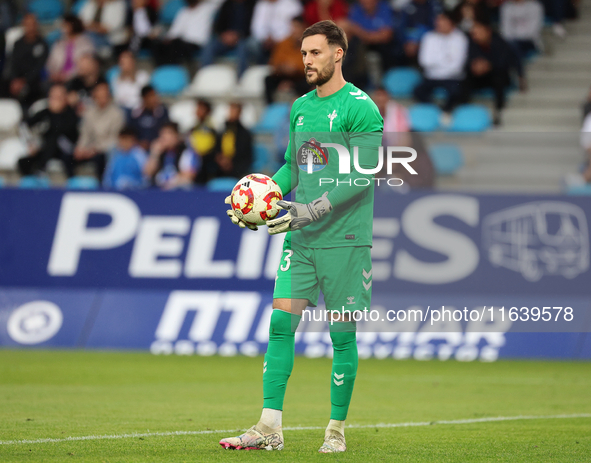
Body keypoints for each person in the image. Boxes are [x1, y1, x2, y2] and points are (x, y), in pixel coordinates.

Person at [220, 20, 383, 453]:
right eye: (304, 53)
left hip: (345, 241)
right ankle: (269, 427)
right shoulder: (299, 108)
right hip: (303, 240)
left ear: (338, 54)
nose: (306, 61)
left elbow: (364, 176)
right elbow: (293, 168)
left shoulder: (361, 107)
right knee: (279, 324)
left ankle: (336, 429)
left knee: (341, 335)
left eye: (315, 53)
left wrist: (313, 209)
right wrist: (256, 200)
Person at [468, 19, 525, 126]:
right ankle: (462, 111)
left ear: (488, 31)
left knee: (499, 78)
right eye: (474, 33)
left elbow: (504, 63)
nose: (475, 36)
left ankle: (499, 111)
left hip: (497, 75)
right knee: (464, 79)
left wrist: (488, 65)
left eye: (478, 32)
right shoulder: (472, 43)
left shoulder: (500, 42)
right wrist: (475, 65)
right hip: (479, 77)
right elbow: (468, 60)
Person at [17, 84, 79, 177]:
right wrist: (31, 143)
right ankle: (29, 183)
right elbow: (24, 125)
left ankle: (41, 169)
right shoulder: (45, 113)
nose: (55, 101)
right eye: (52, 97)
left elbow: (63, 131)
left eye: (58, 97)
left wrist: (56, 114)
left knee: (53, 139)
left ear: (65, 98)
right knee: (23, 162)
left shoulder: (71, 113)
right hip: (47, 149)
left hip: (66, 149)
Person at [413, 11, 469, 114]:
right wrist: (446, 59)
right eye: (437, 20)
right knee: (417, 91)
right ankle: (435, 112)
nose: (438, 23)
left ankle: (446, 113)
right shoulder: (429, 37)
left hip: (452, 78)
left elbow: (457, 66)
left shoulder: (460, 38)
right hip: (431, 77)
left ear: (451, 22)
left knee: (457, 92)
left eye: (442, 20)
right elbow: (424, 61)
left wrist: (436, 61)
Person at [74, 81, 126, 178]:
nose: (102, 97)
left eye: (105, 94)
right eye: (99, 94)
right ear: (94, 95)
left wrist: (95, 149)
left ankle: (102, 186)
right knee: (70, 156)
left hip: (106, 150)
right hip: (90, 149)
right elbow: (85, 134)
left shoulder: (117, 114)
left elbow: (115, 139)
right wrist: (80, 148)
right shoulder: (89, 113)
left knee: (101, 158)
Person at [153, 0, 220, 66]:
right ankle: (162, 70)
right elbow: (175, 31)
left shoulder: (208, 8)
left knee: (176, 45)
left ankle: (173, 69)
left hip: (197, 43)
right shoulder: (183, 11)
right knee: (158, 44)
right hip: (182, 42)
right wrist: (167, 40)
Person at [200, 0, 256, 76]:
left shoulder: (252, 4)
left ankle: (241, 79)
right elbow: (218, 25)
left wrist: (238, 35)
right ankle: (206, 75)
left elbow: (253, 26)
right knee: (209, 47)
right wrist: (224, 35)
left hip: (243, 38)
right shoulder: (227, 4)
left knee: (243, 49)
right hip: (225, 38)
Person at [6, 13, 48, 109]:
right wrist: (14, 79)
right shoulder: (18, 43)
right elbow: (13, 62)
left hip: (33, 81)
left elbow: (38, 67)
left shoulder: (42, 44)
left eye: (32, 24)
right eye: (27, 24)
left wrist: (24, 80)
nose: (30, 27)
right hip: (17, 81)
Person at [264, 16, 310, 103]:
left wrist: (295, 68)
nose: (294, 30)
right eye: (292, 27)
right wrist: (283, 68)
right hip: (283, 75)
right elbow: (274, 62)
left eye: (297, 27)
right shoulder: (284, 43)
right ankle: (270, 107)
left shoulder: (310, 44)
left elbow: (310, 64)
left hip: (301, 77)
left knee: (308, 82)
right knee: (268, 80)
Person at [144, 122, 200, 189]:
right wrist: (154, 154)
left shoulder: (187, 152)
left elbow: (187, 177)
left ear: (177, 135)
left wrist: (168, 183)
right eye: (162, 134)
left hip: (179, 193)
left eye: (168, 133)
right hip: (159, 192)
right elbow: (147, 173)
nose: (164, 137)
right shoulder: (160, 152)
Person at [346, 0, 398, 71]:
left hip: (383, 49)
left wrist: (365, 35)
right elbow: (349, 29)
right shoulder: (356, 9)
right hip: (362, 47)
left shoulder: (385, 8)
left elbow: (387, 35)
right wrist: (372, 35)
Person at [249, 0, 303, 65]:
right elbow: (255, 28)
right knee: (250, 44)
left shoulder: (291, 4)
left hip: (283, 39)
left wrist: (276, 38)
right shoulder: (261, 4)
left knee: (286, 45)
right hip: (263, 42)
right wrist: (265, 38)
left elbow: (295, 26)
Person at [47, 15, 95, 83]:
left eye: (65, 25)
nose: (62, 28)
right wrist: (53, 74)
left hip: (76, 79)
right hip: (58, 78)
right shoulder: (59, 42)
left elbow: (84, 66)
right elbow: (51, 62)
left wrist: (68, 76)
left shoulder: (85, 43)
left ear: (73, 26)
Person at [214, 102, 253, 178]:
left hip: (238, 169)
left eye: (235, 111)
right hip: (220, 169)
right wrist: (221, 160)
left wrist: (231, 163)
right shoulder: (222, 131)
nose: (233, 113)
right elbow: (216, 150)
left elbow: (246, 155)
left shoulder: (245, 134)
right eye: (231, 110)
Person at [129, 85, 170, 150]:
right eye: (151, 96)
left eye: (155, 95)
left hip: (158, 146)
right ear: (144, 98)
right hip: (138, 147)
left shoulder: (162, 112)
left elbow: (166, 131)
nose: (154, 99)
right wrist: (139, 143)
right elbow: (131, 132)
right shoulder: (135, 114)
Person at [189, 99, 218, 184]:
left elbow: (211, 146)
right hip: (195, 162)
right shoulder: (193, 128)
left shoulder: (212, 129)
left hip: (208, 162)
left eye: (201, 109)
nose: (198, 111)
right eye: (198, 108)